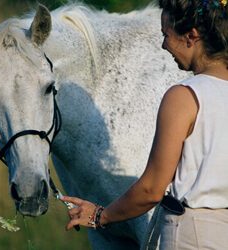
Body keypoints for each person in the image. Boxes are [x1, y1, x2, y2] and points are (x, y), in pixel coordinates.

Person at [61, 0, 228, 249]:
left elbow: (151, 189)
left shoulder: (184, 96)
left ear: (191, 37)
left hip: (193, 235)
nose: (163, 45)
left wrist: (100, 215)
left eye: (166, 35)